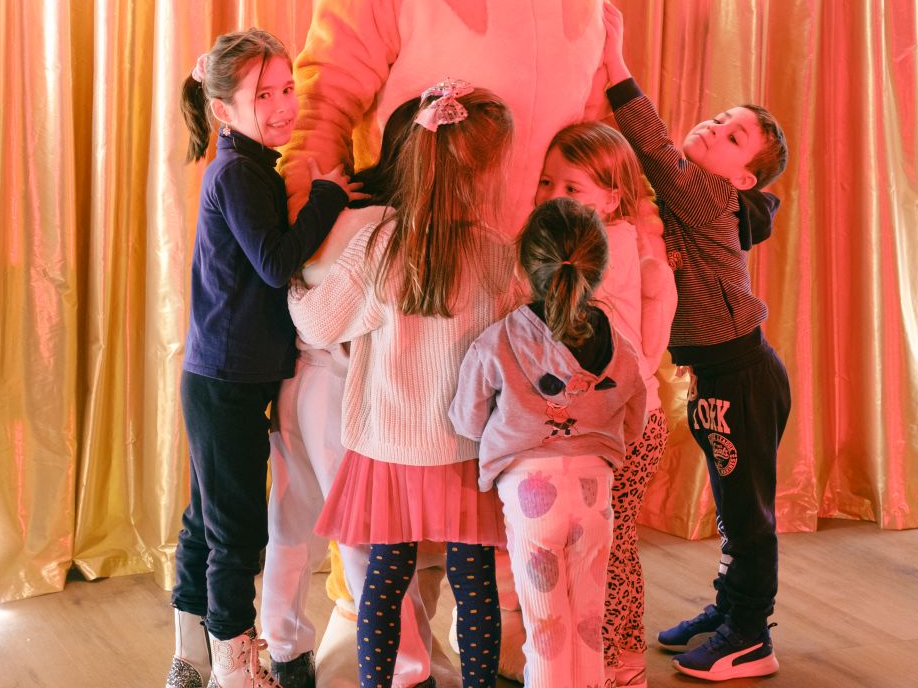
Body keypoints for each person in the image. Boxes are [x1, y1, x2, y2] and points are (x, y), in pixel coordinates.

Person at [288, 80, 517, 688]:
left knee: (384, 584)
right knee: (474, 585)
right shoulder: (500, 255)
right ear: (484, 172)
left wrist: (294, 283)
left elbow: (316, 323)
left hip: (388, 444)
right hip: (464, 448)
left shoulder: (379, 245)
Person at [601, 5, 792, 682]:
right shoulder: (701, 197)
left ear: (741, 179)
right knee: (731, 503)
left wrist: (616, 65)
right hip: (719, 373)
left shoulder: (708, 196)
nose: (714, 126)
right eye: (719, 118)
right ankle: (730, 608)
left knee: (748, 512)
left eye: (733, 136)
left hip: (742, 375)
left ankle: (751, 635)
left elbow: (656, 152)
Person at [170, 29, 362, 688]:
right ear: (223, 108)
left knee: (208, 522)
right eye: (263, 95)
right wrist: (329, 198)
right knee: (235, 533)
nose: (283, 106)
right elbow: (277, 263)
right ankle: (233, 669)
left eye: (286, 88)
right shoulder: (239, 173)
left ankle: (191, 658)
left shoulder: (251, 167)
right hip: (225, 381)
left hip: (225, 376)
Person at [260, 96, 439, 688]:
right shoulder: (388, 229)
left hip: (294, 381)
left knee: (292, 523)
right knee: (369, 538)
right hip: (343, 390)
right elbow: (334, 318)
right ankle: (407, 668)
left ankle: (285, 650)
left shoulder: (343, 205)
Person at [451, 198, 647, 688]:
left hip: (530, 494)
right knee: (587, 623)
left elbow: (467, 420)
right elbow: (635, 419)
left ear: (525, 265)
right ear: (599, 271)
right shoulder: (619, 345)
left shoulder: (498, 340)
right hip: (594, 490)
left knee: (546, 631)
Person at [534, 123, 677, 687]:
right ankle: (614, 654)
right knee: (610, 543)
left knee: (607, 547)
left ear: (613, 198)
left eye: (572, 188)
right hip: (630, 418)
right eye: (546, 182)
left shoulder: (601, 249)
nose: (553, 197)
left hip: (624, 426)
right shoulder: (622, 240)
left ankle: (617, 660)